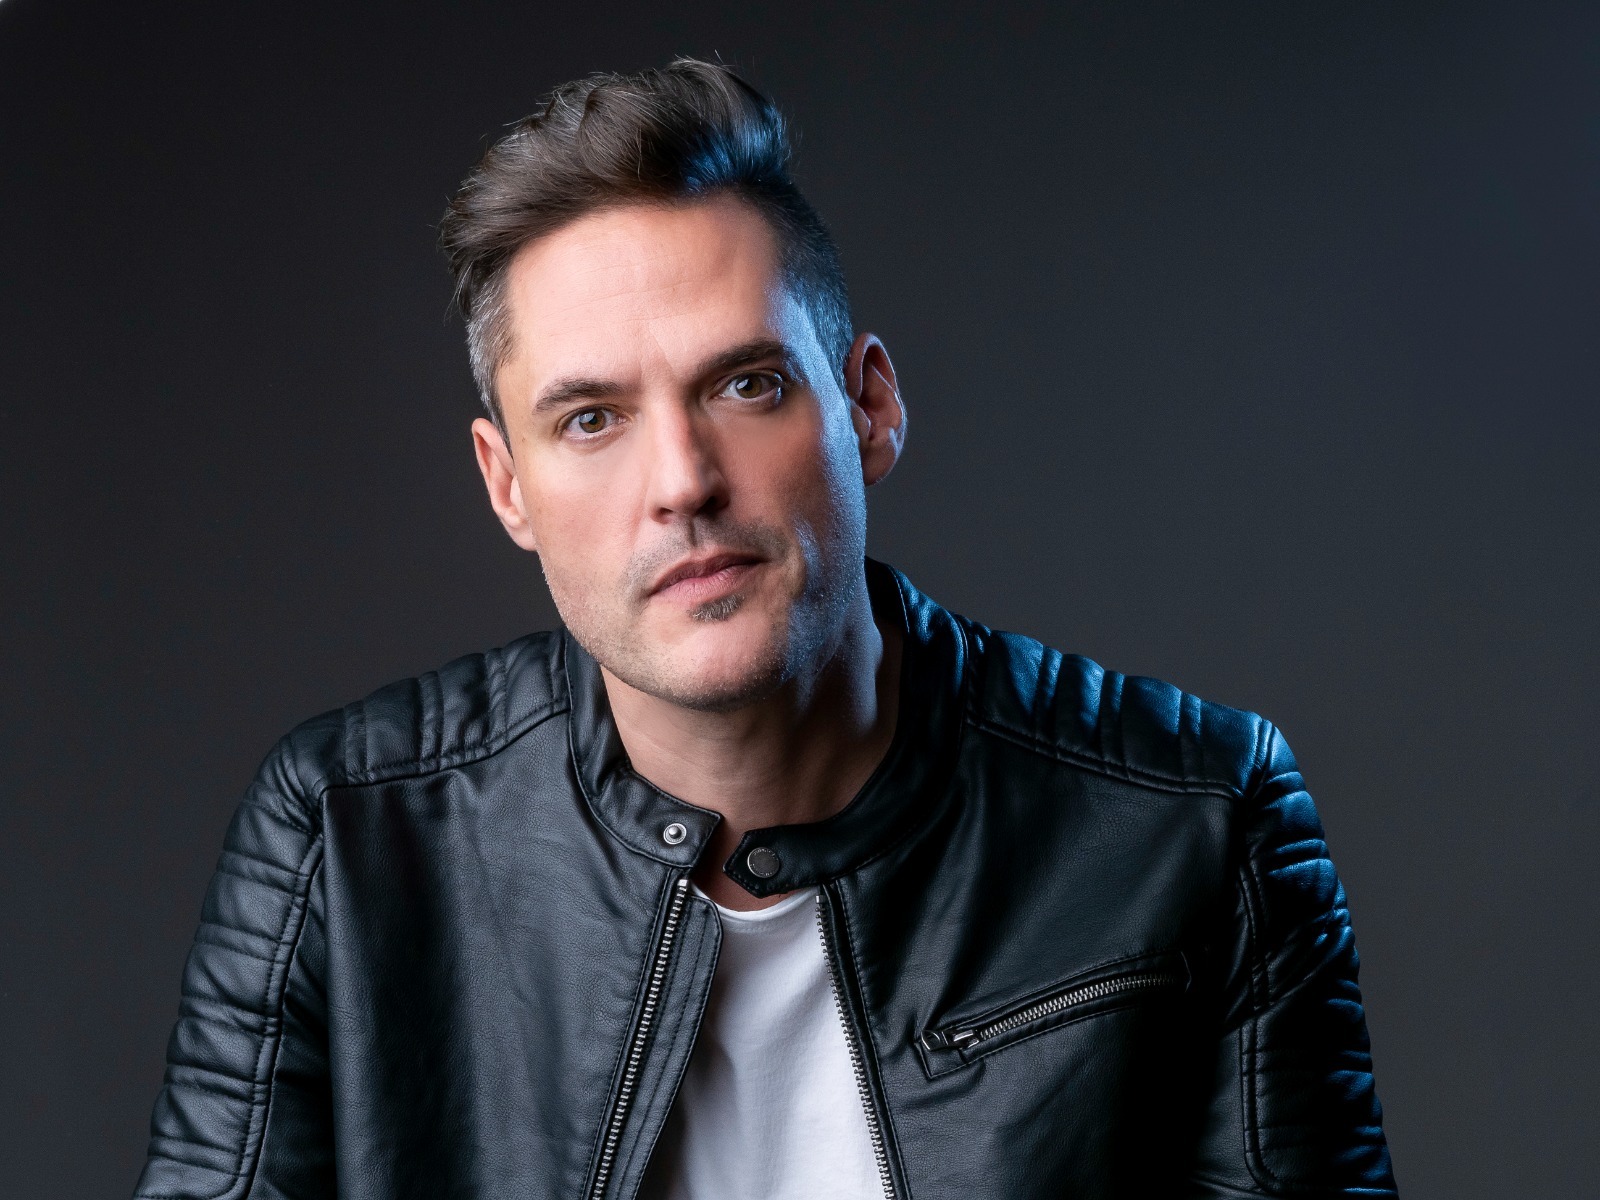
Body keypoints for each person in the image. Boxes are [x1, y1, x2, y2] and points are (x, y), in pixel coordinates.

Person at [134, 59, 1396, 1200]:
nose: (682, 480)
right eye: (590, 420)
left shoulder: (1197, 819)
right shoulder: (345, 835)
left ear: (868, 407)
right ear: (506, 485)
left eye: (746, 385)